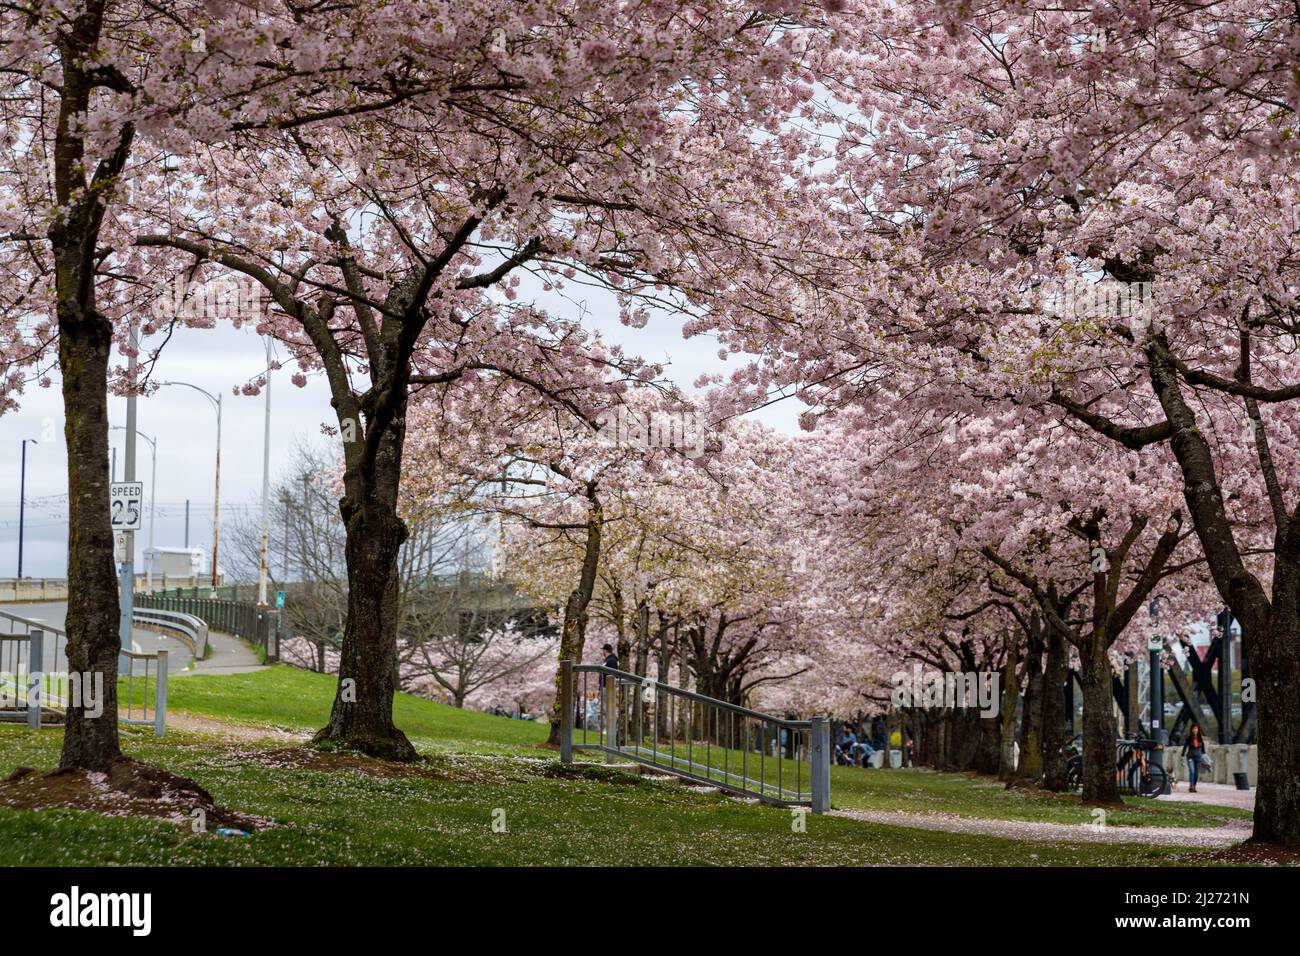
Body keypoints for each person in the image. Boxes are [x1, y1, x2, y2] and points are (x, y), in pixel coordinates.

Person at [1182, 724, 1206, 793]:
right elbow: (1185, 747)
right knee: (1192, 771)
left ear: (1198, 730)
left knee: (1196, 773)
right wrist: (1182, 755)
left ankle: (1194, 786)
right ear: (1191, 730)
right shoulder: (1189, 738)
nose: (1195, 730)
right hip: (1190, 757)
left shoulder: (1200, 738)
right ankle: (1191, 786)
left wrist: (1205, 757)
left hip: (1198, 757)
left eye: (1196, 728)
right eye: (1194, 728)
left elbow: (1203, 749)